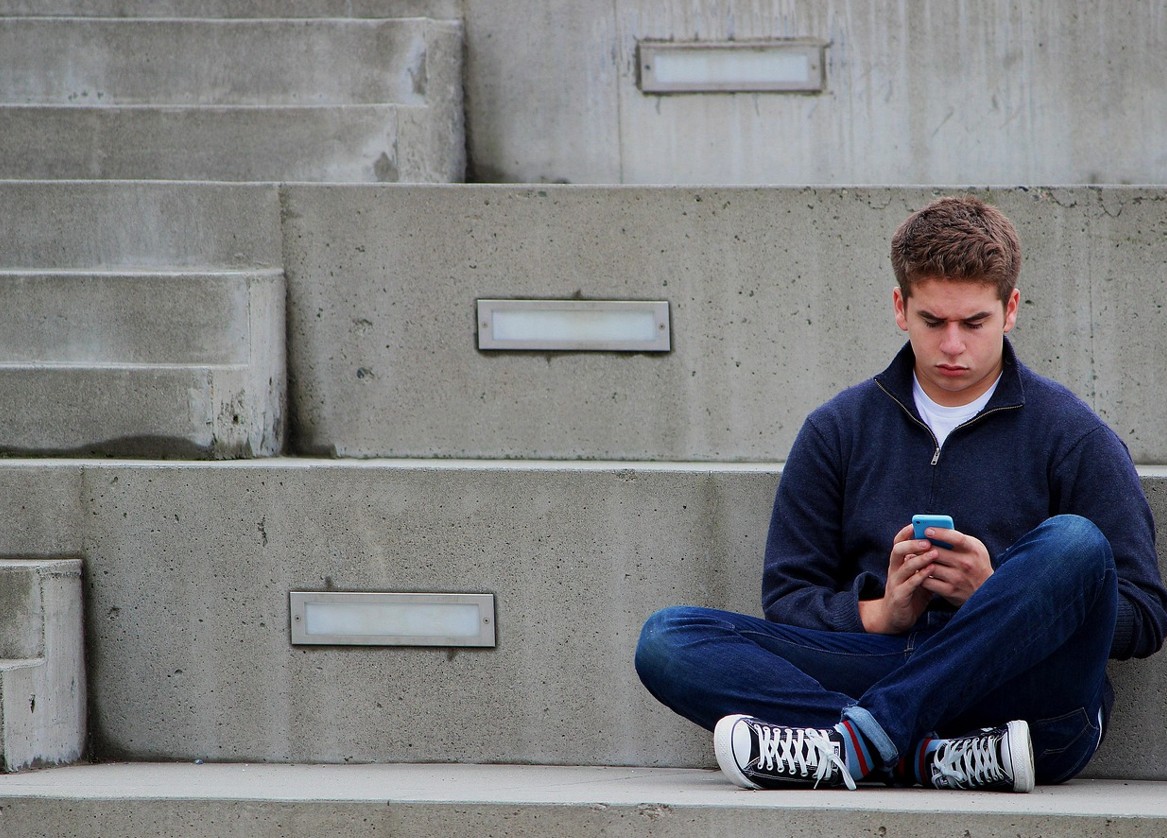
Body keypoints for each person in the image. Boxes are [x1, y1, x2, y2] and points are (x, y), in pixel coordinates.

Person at [634, 195, 1167, 792]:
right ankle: (915, 755)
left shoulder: (1072, 434)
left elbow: (1144, 616)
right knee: (668, 640)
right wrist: (883, 612)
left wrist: (996, 597)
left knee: (1075, 543)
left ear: (1010, 309)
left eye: (974, 323)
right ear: (900, 307)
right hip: (893, 669)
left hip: (1022, 695)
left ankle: (859, 742)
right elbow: (788, 596)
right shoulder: (839, 428)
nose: (953, 346)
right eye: (933, 322)